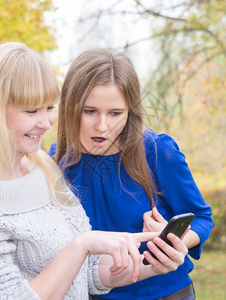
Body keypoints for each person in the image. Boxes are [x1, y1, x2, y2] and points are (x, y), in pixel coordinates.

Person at [0, 42, 190, 300]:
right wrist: (81, 245)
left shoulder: (40, 167)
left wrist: (154, 264)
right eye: (31, 110)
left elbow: (87, 273)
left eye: (49, 108)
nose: (47, 122)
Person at [50, 48, 214, 300]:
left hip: (166, 294)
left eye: (115, 113)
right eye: (89, 111)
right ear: (70, 107)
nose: (102, 126)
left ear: (130, 112)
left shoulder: (158, 152)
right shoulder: (55, 163)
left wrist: (177, 241)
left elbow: (202, 217)